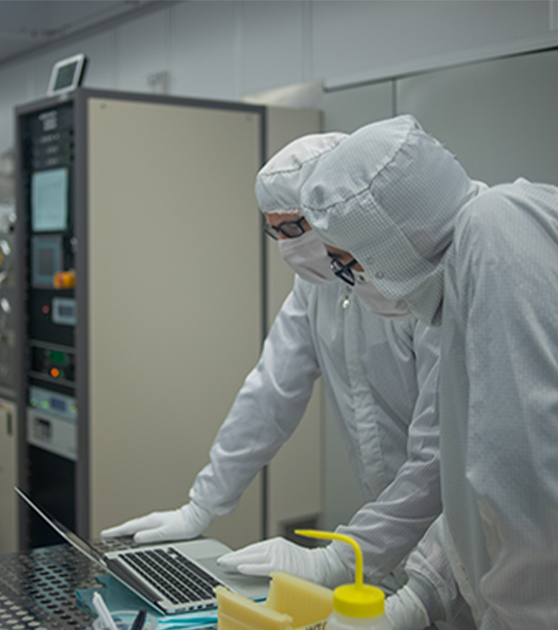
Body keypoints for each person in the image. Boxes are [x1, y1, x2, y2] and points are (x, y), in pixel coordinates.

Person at [101, 133, 445, 617]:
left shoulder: (412, 286)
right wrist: (203, 504)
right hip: (383, 536)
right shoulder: (316, 289)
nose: (288, 248)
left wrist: (337, 560)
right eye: (275, 232)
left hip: (458, 533)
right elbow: (271, 392)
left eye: (294, 229)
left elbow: (439, 456)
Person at [296, 114, 558, 629]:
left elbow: (529, 482)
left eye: (348, 265)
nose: (353, 283)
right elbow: (469, 482)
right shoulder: (467, 276)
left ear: (390, 240)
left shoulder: (499, 229)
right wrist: (421, 596)